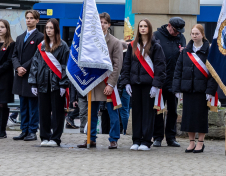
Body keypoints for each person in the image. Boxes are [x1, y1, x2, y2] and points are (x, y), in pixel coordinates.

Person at [80, 11, 124, 150]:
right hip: (94, 81)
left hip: (107, 82)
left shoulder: (115, 42)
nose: (102, 24)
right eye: (100, 22)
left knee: (112, 113)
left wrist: (111, 84)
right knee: (91, 113)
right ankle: (91, 138)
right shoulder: (89, 40)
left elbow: (117, 65)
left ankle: (113, 139)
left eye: (105, 22)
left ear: (109, 25)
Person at [118, 17, 164, 150]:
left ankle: (146, 141)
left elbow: (160, 67)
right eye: (140, 26)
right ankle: (136, 140)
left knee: (148, 113)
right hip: (135, 84)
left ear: (149, 29)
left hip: (149, 84)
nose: (142, 28)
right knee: (136, 112)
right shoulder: (132, 45)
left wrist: (156, 85)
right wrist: (126, 82)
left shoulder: (155, 46)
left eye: (145, 26)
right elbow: (126, 65)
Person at [173, 24, 217, 153]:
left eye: (197, 33)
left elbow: (213, 73)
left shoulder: (209, 50)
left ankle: (201, 142)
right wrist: (177, 89)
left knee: (200, 117)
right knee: (188, 117)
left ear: (202, 35)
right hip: (188, 89)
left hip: (202, 90)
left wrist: (210, 90)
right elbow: (178, 70)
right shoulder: (186, 50)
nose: (194, 36)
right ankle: (191, 142)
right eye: (192, 33)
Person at [29, 18, 70, 148]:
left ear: (56, 29)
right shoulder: (41, 46)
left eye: (51, 28)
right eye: (47, 28)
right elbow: (34, 65)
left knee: (57, 113)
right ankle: (45, 136)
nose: (48, 30)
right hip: (42, 83)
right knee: (44, 111)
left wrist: (63, 84)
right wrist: (33, 83)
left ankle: (56, 138)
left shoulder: (63, 46)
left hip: (56, 85)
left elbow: (65, 67)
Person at [10, 10, 45, 142]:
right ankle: (23, 130)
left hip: (32, 76)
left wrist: (24, 67)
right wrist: (18, 67)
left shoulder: (40, 37)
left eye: (31, 18)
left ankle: (32, 131)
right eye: (27, 18)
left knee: (33, 106)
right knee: (23, 105)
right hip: (20, 76)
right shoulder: (20, 37)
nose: (29, 20)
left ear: (37, 20)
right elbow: (14, 55)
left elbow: (38, 55)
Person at [152, 17, 186, 147]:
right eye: (176, 30)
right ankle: (157, 137)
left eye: (180, 31)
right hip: (160, 80)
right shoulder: (156, 36)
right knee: (158, 110)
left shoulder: (180, 37)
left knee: (173, 110)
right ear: (169, 26)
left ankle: (171, 137)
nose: (178, 33)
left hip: (174, 80)